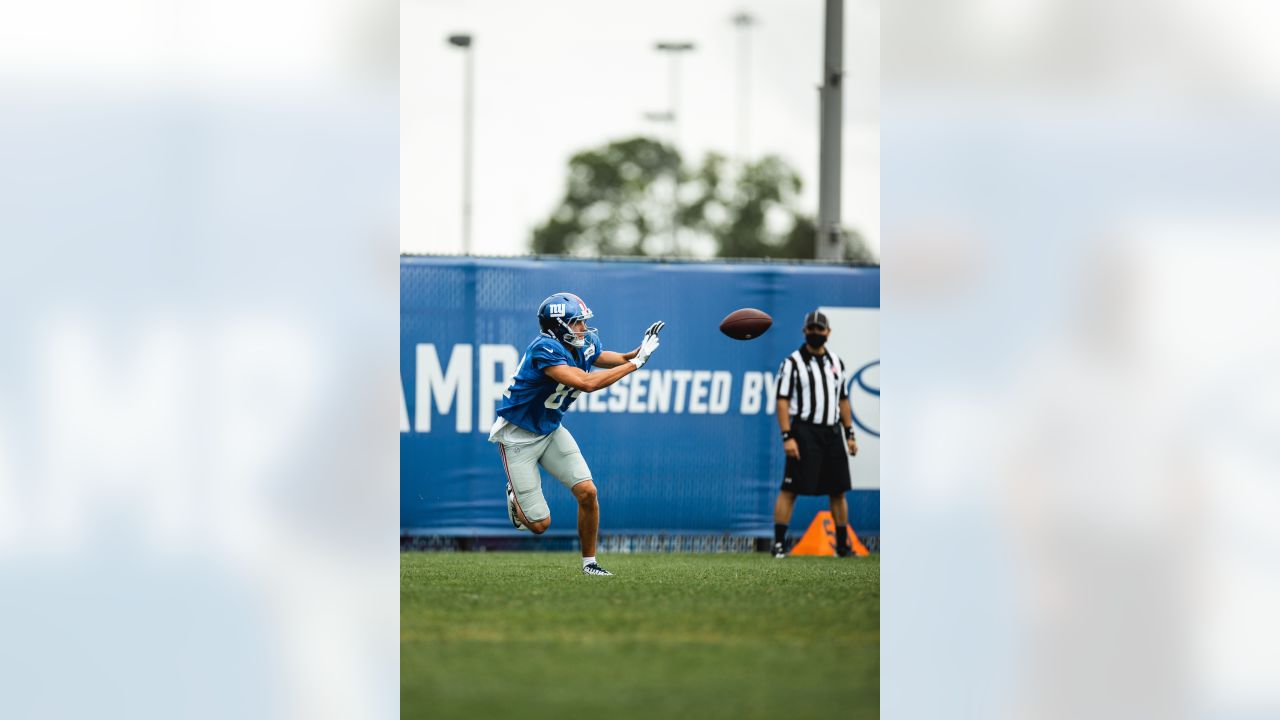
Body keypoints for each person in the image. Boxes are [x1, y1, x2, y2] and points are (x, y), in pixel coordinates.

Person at [489, 292, 664, 576]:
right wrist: (635, 365)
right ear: (558, 325)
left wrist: (636, 351)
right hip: (517, 437)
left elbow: (605, 357)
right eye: (577, 322)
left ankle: (589, 564)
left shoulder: (583, 342)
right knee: (539, 525)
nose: (583, 328)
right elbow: (585, 382)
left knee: (587, 492)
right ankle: (515, 496)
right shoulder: (544, 348)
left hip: (550, 429)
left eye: (583, 321)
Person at [772, 309, 859, 558]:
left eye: (820, 329)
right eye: (811, 329)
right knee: (790, 489)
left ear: (828, 332)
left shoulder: (836, 362)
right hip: (804, 431)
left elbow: (843, 400)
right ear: (804, 331)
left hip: (831, 432)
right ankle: (778, 544)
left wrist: (849, 434)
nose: (816, 333)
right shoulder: (792, 363)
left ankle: (842, 546)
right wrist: (787, 436)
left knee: (838, 490)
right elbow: (782, 401)